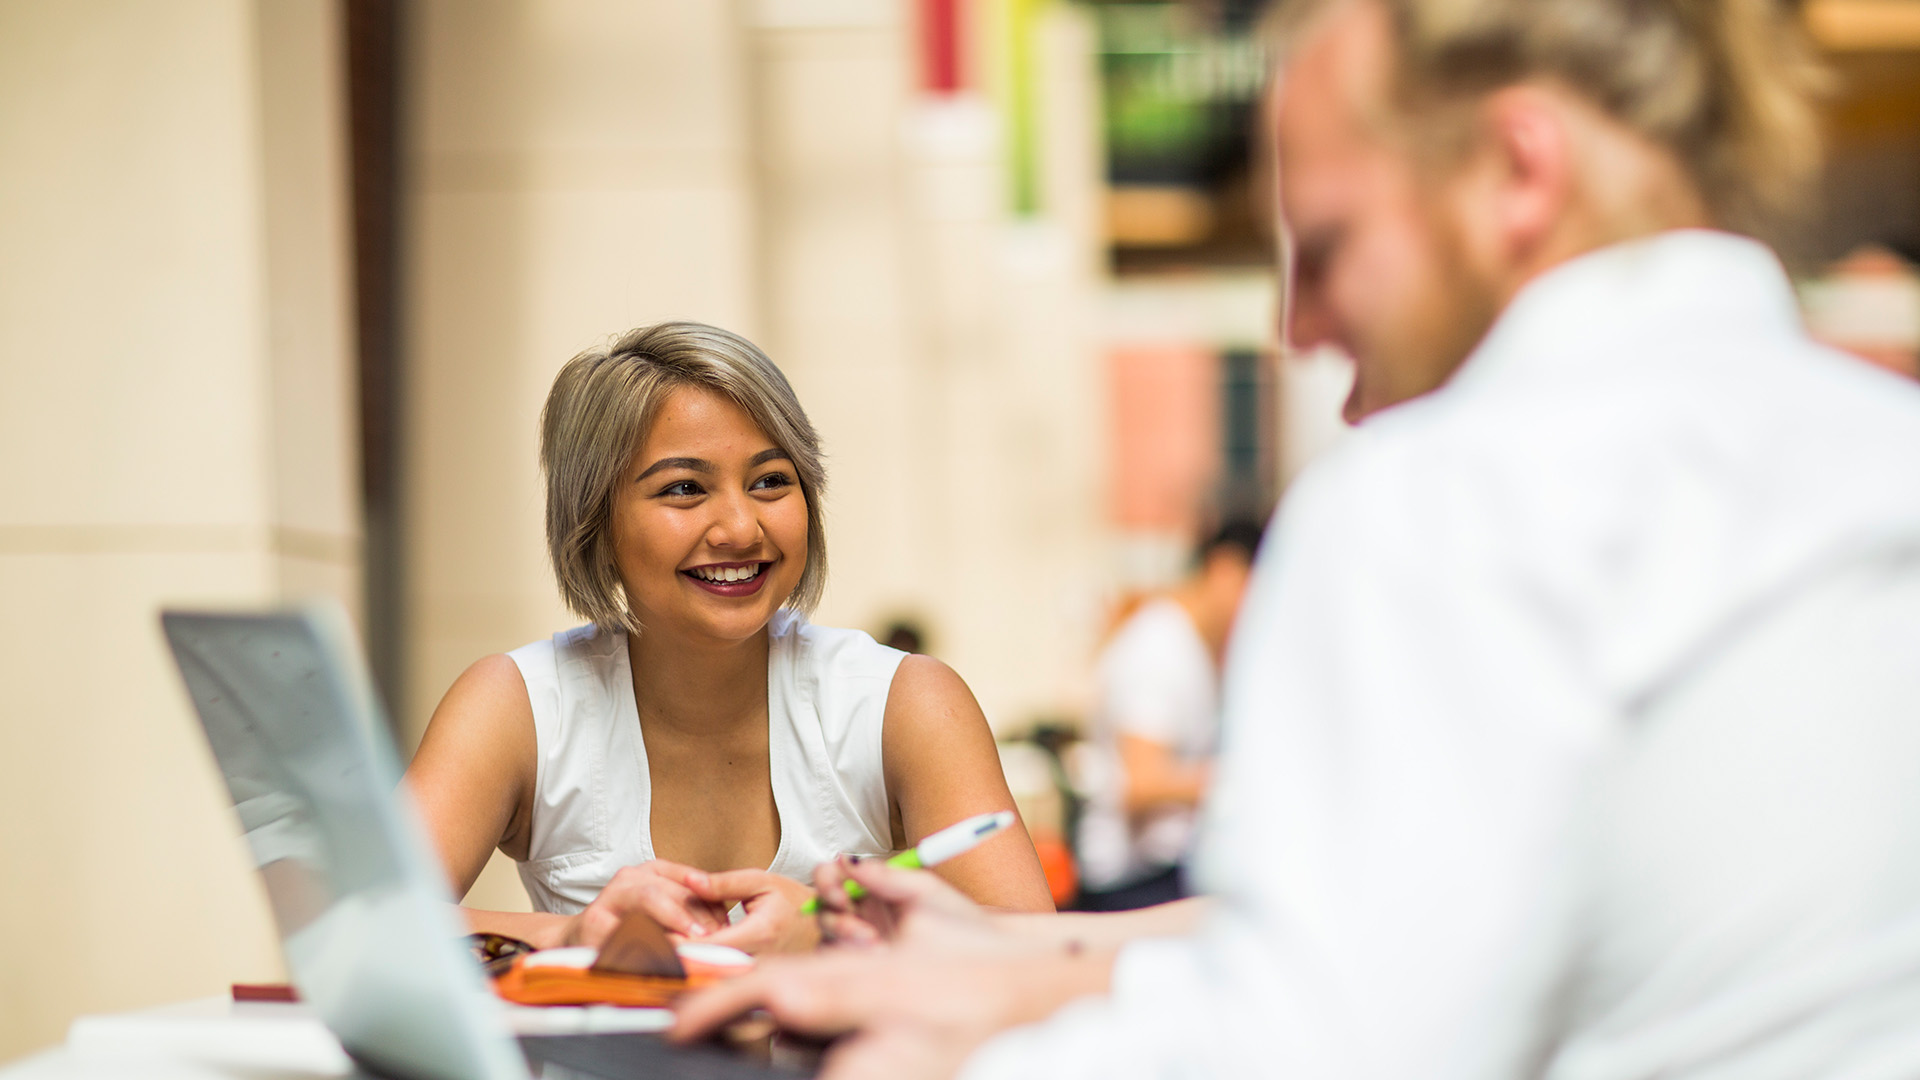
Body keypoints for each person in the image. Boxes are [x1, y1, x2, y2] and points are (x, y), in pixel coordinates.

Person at [671, 0, 1920, 1074]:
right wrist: (1018, 960)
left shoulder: (1448, 495)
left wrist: (962, 1049)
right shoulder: (1877, 448)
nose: (1301, 327)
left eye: (1325, 248)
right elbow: (1446, 939)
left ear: (1519, 175)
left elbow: (1323, 1051)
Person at [404, 322, 1053, 957]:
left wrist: (832, 943)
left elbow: (1042, 962)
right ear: (594, 521)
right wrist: (577, 934)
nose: (741, 528)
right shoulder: (516, 705)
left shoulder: (906, 702)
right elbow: (369, 927)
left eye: (771, 480)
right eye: (685, 489)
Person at [1073, 519, 1262, 910]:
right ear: (1225, 570)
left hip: (1168, 871)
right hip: (1132, 882)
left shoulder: (1193, 647)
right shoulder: (1158, 647)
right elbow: (1141, 782)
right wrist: (1247, 780)